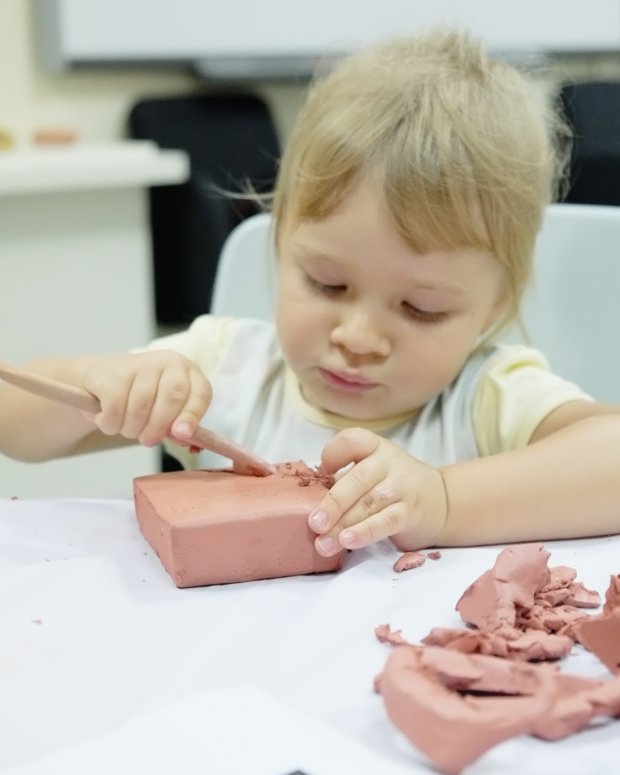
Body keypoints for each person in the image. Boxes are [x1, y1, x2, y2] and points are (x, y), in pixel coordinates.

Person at [1, 29, 619, 558]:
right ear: (281, 244)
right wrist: (100, 386)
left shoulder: (485, 397)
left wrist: (446, 501)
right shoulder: (224, 369)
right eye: (327, 283)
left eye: (420, 308)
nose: (357, 337)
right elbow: (12, 422)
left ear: (498, 304)